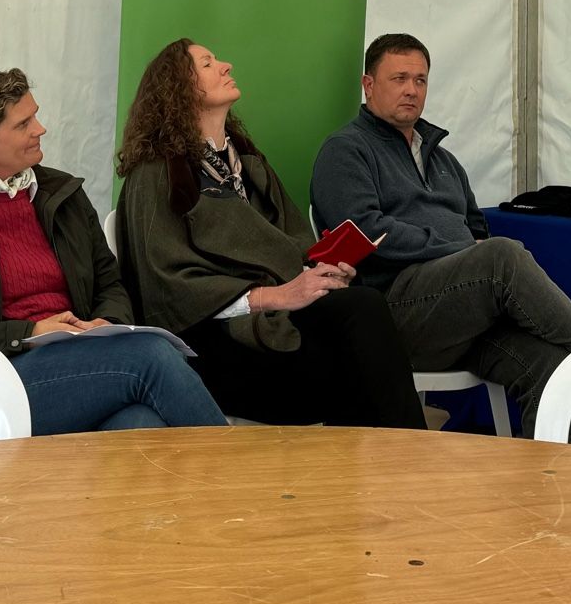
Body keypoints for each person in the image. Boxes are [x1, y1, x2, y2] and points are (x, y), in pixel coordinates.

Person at [0, 66, 226, 444]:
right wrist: (27, 333)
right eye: (23, 123)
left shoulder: (63, 194)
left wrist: (105, 322)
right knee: (151, 357)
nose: (40, 129)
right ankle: (246, 482)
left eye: (36, 115)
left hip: (74, 368)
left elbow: (109, 282)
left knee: (139, 423)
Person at [114, 40, 425, 429]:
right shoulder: (156, 174)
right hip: (214, 345)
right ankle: (405, 461)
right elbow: (165, 290)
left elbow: (292, 243)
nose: (226, 65)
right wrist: (275, 295)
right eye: (208, 63)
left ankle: (385, 468)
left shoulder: (246, 162)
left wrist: (321, 273)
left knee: (363, 311)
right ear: (178, 88)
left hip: (278, 323)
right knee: (359, 351)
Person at [311, 33, 571, 438]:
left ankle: (556, 490)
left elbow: (475, 226)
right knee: (501, 256)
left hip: (462, 312)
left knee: (550, 366)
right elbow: (367, 232)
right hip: (395, 311)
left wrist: (469, 253)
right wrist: (462, 251)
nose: (412, 90)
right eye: (399, 79)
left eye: (420, 80)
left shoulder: (444, 159)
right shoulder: (346, 150)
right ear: (368, 85)